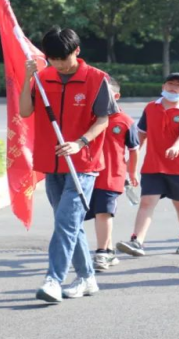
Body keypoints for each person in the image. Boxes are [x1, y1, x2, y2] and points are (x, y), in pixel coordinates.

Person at [20, 27, 116, 304]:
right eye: (53, 59)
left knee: (65, 223)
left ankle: (54, 279)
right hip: (51, 163)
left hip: (82, 165)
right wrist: (28, 79)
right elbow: (25, 111)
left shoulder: (97, 79)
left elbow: (104, 120)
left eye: (63, 58)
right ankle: (87, 278)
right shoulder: (42, 77)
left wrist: (80, 142)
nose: (59, 65)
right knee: (70, 224)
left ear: (77, 51)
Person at [117, 74, 179, 258]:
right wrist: (132, 159)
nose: (173, 88)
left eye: (178, 85)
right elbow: (141, 135)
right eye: (170, 83)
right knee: (146, 202)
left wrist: (176, 147)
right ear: (163, 86)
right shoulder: (151, 107)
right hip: (153, 166)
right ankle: (137, 241)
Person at [87, 78, 140, 272]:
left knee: (103, 212)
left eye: (105, 93)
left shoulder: (125, 121)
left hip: (112, 175)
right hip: (88, 174)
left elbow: (134, 149)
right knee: (97, 213)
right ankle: (109, 250)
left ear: (116, 96)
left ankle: (102, 252)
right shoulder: (89, 117)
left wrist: (132, 172)